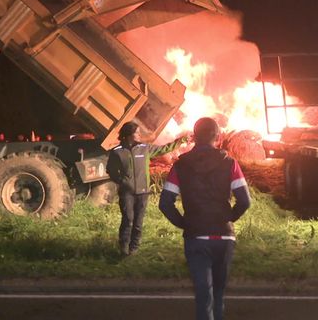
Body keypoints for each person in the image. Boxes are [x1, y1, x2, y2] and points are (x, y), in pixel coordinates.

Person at [159, 117, 251, 320]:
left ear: (194, 137)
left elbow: (165, 203)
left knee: (203, 296)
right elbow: (245, 201)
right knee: (218, 296)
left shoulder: (180, 166)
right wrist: (228, 218)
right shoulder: (230, 163)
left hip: (196, 237)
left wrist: (185, 223)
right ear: (218, 137)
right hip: (224, 238)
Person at [106, 121, 185, 256]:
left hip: (143, 192)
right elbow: (111, 170)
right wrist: (122, 182)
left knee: (138, 222)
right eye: (137, 132)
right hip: (127, 193)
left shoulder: (145, 148)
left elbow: (163, 149)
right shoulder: (117, 152)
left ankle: (134, 248)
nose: (139, 135)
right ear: (129, 135)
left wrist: (180, 141)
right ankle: (123, 247)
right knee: (128, 219)